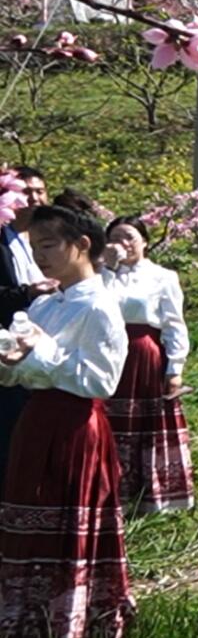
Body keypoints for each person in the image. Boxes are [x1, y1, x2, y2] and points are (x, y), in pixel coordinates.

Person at [0, 205, 133, 638]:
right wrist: (12, 358)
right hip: (37, 421)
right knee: (26, 524)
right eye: (34, 248)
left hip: (76, 427)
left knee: (67, 531)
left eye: (49, 246)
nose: (41, 257)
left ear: (81, 245)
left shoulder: (98, 305)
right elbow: (23, 373)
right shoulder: (44, 304)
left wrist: (43, 351)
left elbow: (102, 379)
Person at [100, 216, 194, 515]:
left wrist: (174, 368)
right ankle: (111, 495)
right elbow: (95, 305)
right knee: (108, 422)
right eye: (115, 238)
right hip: (108, 354)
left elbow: (174, 325)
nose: (123, 244)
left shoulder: (162, 277)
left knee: (147, 424)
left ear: (145, 241)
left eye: (129, 237)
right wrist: (108, 268)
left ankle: (152, 498)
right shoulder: (101, 275)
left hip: (143, 356)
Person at [0, 165, 55, 496]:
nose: (34, 198)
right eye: (25, 192)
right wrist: (28, 293)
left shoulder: (49, 237)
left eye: (39, 191)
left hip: (46, 347)